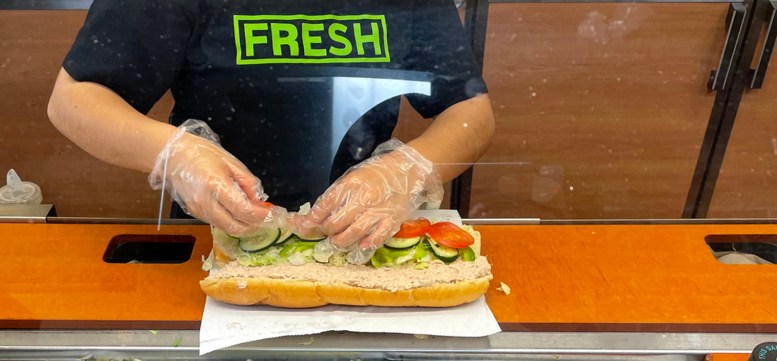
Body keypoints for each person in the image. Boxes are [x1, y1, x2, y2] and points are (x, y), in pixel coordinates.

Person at [48, 0, 494, 254]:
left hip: (367, 231)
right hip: (225, 232)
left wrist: (403, 171)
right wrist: (176, 153)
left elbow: (471, 112)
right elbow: (73, 100)